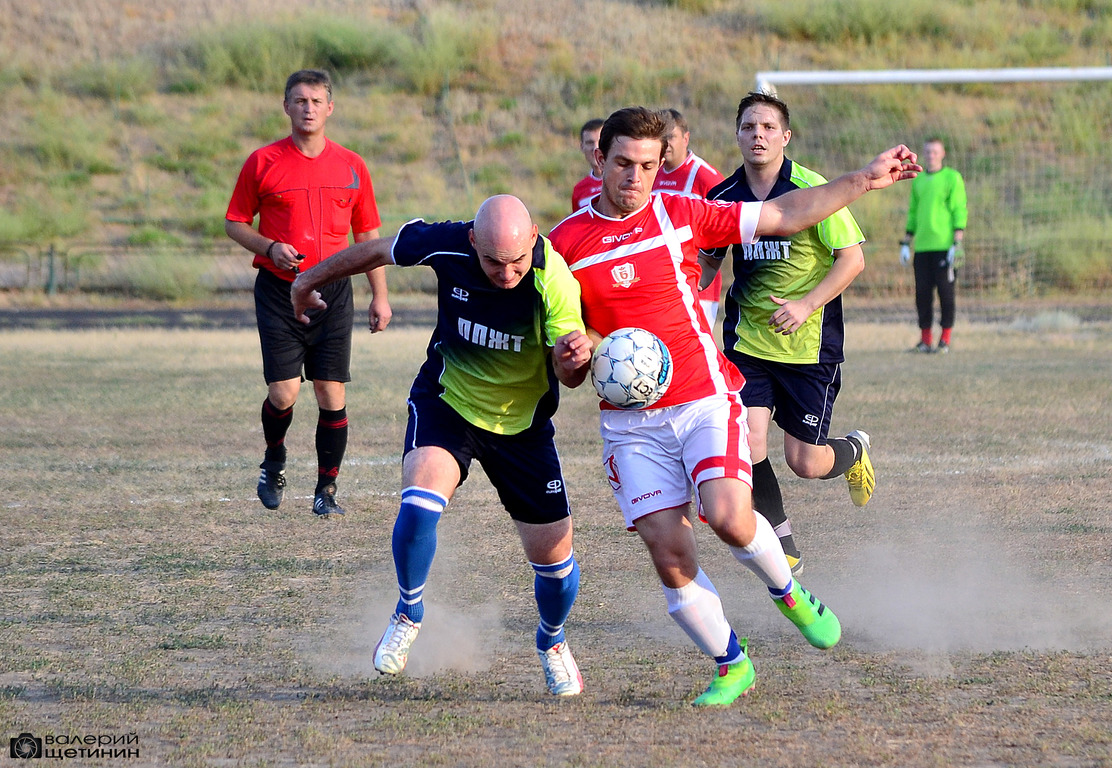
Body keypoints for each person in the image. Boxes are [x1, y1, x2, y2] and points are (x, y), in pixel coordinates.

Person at [549, 107, 919, 707]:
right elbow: (570, 357)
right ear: (599, 161)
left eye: (649, 165)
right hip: (629, 425)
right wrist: (574, 355)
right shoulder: (562, 246)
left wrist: (864, 179)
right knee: (667, 551)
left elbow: (782, 214)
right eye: (623, 163)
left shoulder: (683, 213)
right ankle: (732, 664)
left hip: (701, 397)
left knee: (727, 516)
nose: (636, 176)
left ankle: (790, 594)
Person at [290, 195, 594, 697]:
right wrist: (307, 281)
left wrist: (572, 358)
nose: (506, 273)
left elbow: (571, 376)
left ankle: (553, 642)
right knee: (418, 506)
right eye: (494, 261)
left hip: (521, 428)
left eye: (517, 260)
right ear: (473, 240)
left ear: (535, 236)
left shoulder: (554, 279)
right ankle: (409, 611)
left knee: (557, 567)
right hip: (448, 403)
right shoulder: (447, 243)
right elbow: (376, 250)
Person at [700, 92, 876, 576]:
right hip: (748, 343)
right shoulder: (721, 198)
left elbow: (852, 259)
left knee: (805, 461)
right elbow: (707, 264)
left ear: (785, 137)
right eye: (749, 126)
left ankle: (853, 449)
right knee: (749, 444)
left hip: (809, 347)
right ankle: (783, 544)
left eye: (768, 127)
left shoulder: (811, 188)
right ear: (737, 135)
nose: (758, 134)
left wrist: (805, 304)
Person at [225, 69, 392, 518]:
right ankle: (274, 458)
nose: (308, 108)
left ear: (330, 108)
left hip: (335, 292)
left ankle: (326, 490)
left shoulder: (352, 165)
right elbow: (234, 222)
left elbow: (368, 234)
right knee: (283, 394)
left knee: (330, 393)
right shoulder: (262, 162)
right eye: (300, 101)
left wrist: (380, 295)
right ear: (286, 107)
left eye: (317, 101)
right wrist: (269, 248)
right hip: (279, 292)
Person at [653, 109, 727, 324]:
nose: (665, 144)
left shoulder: (706, 178)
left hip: (697, 286)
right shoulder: (650, 172)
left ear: (686, 138)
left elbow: (721, 231)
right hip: (661, 283)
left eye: (671, 137)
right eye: (660, 138)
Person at [900, 137, 967, 353]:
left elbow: (959, 208)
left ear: (943, 153)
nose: (931, 155)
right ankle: (925, 340)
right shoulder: (918, 180)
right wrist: (906, 242)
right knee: (922, 295)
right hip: (922, 247)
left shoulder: (952, 177)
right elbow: (913, 212)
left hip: (944, 246)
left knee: (946, 294)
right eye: (928, 151)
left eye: (935, 152)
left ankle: (945, 339)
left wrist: (957, 242)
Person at [571, 119, 605, 212]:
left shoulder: (624, 179)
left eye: (600, 141)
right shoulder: (579, 189)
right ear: (582, 147)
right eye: (590, 143)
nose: (595, 148)